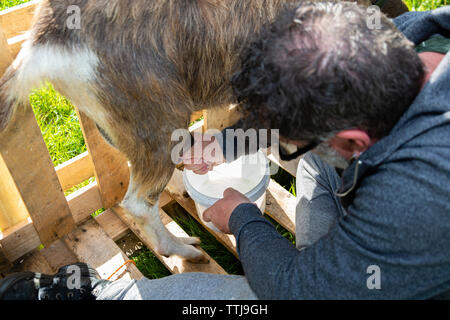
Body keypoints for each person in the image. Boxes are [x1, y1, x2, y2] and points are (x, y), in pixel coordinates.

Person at [1, 2, 449, 300]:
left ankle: (106, 296)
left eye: (289, 136)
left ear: (355, 141)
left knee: (247, 300)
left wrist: (242, 218)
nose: (286, 142)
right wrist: (228, 142)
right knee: (316, 165)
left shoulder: (417, 196)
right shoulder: (409, 38)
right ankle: (338, 261)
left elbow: (296, 292)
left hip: (417, 238)